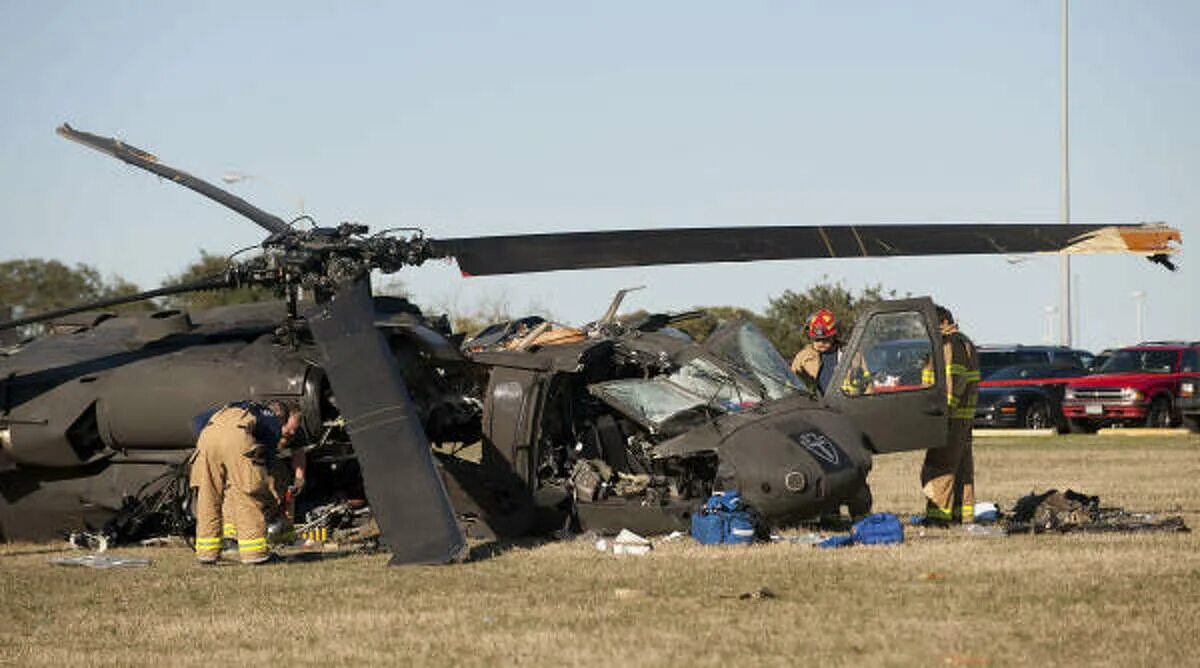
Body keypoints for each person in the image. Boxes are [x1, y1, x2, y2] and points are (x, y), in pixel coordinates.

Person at [190, 399, 304, 565]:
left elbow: (198, 422)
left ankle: (206, 553)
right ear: (281, 417)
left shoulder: (235, 406)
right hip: (238, 437)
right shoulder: (271, 418)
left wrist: (215, 444)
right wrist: (266, 482)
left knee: (209, 495)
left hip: (207, 437)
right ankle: (255, 554)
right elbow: (268, 458)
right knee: (249, 493)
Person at [920, 305, 980, 526]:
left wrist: (940, 414)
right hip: (962, 418)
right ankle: (961, 514)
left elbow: (952, 383)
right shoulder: (964, 341)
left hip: (950, 417)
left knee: (939, 466)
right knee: (961, 469)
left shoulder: (950, 344)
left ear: (943, 322)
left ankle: (938, 517)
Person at [791, 308, 843, 394]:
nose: (821, 343)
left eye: (826, 339)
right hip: (814, 406)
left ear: (834, 336)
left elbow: (868, 386)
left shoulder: (850, 355)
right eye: (817, 339)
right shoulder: (802, 358)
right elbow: (791, 384)